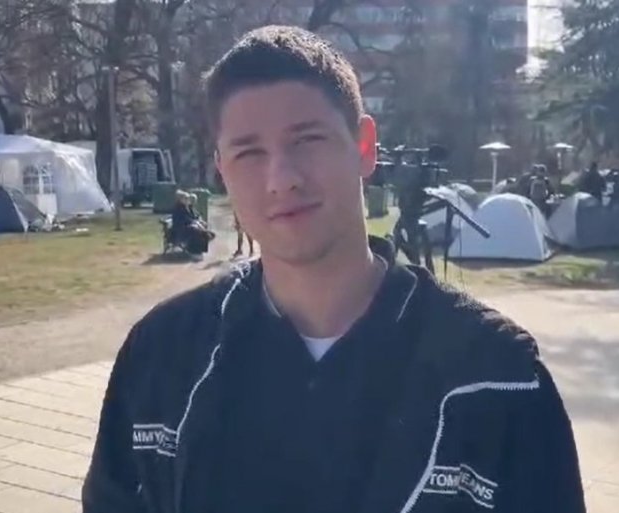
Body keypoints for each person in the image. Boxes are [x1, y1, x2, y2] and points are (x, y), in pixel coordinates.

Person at [83, 25, 585, 513]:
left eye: (306, 140)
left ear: (364, 146)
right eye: (249, 152)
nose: (281, 179)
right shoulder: (161, 358)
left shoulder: (496, 380)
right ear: (222, 171)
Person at [170, 190, 214, 260]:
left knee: (205, 231)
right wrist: (194, 223)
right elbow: (183, 220)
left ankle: (200, 250)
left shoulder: (189, 207)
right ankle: (194, 252)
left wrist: (199, 221)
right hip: (180, 230)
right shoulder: (178, 208)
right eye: (185, 198)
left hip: (189, 226)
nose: (188, 200)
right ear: (180, 200)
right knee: (195, 230)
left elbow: (195, 216)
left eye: (188, 198)